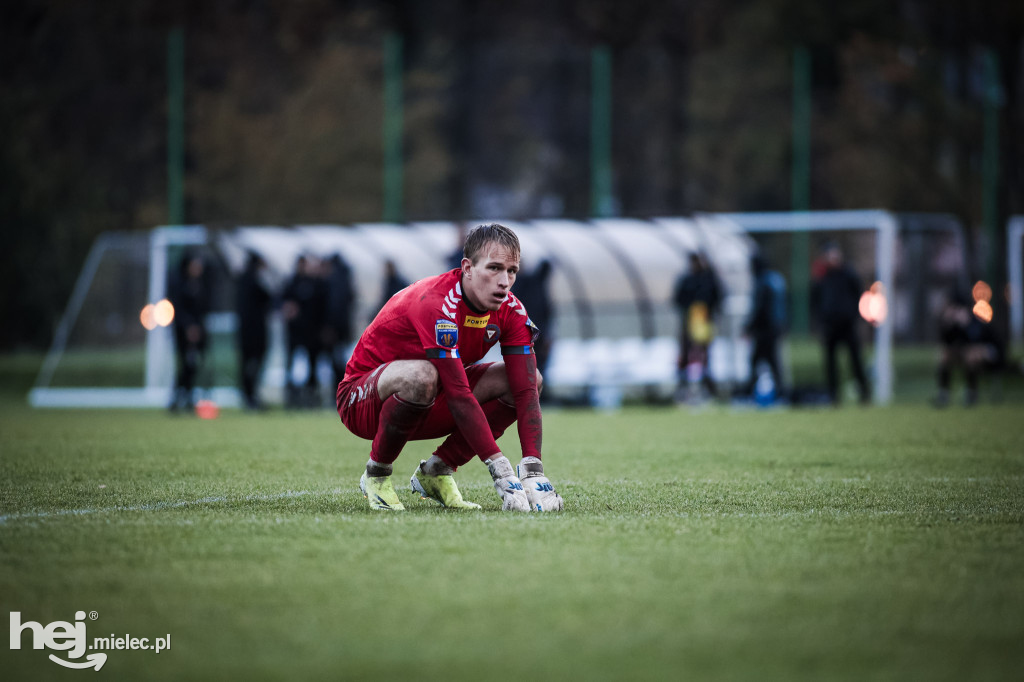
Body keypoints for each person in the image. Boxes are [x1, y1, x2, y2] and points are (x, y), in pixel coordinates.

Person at [336, 223, 564, 512]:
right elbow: (458, 394)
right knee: (422, 375)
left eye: (511, 271)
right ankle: (376, 475)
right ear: (467, 268)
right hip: (363, 402)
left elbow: (525, 390)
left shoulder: (512, 309)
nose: (504, 281)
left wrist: (533, 469)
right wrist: (502, 472)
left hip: (434, 397)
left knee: (533, 379)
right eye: (494, 268)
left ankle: (436, 471)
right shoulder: (436, 304)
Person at [811, 242, 870, 405]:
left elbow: (858, 295)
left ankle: (864, 393)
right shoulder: (821, 277)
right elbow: (816, 300)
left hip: (847, 324)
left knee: (855, 359)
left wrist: (854, 316)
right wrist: (821, 321)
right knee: (830, 362)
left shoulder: (849, 274)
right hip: (830, 326)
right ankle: (833, 396)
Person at [934, 285, 1005, 407]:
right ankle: (943, 394)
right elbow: (947, 342)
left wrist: (966, 324)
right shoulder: (950, 320)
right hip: (967, 352)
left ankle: (972, 393)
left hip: (991, 351)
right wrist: (948, 325)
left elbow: (977, 338)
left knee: (971, 354)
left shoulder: (975, 316)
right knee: (945, 355)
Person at [672, 252, 723, 401]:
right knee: (686, 355)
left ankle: (707, 389)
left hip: (704, 322)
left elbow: (717, 299)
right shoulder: (687, 279)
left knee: (703, 355)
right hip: (690, 322)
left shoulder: (709, 280)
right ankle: (684, 388)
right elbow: (678, 300)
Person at [168, 250, 211, 413]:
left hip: (197, 332)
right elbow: (178, 309)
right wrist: (188, 327)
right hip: (183, 332)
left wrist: (199, 328)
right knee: (185, 364)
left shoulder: (199, 285)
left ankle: (187, 396)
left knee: (193, 365)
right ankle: (177, 397)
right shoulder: (180, 284)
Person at [741, 253, 788, 402]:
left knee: (758, 361)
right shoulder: (776, 279)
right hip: (775, 329)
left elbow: (760, 308)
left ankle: (752, 394)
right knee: (772, 362)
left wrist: (748, 327)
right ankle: (781, 393)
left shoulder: (762, 282)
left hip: (765, 330)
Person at [282, 255, 327, 408]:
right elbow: (281, 302)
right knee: (292, 363)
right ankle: (292, 395)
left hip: (311, 333)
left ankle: (310, 395)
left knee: (312, 364)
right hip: (295, 333)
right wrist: (287, 309)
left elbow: (321, 308)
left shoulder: (315, 284)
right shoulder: (291, 283)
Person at [236, 251, 272, 411]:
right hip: (256, 331)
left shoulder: (241, 280)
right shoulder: (255, 280)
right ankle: (251, 395)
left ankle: (248, 395)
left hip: (244, 330)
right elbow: (269, 296)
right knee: (254, 362)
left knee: (246, 363)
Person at [511, 259, 554, 378]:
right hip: (535, 332)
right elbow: (547, 312)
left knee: (526, 365)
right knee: (535, 366)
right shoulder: (535, 285)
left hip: (527, 332)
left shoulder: (524, 285)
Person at [324, 254, 356, 386]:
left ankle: (339, 387)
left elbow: (334, 306)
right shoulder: (346, 279)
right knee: (342, 357)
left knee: (336, 359)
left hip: (336, 329)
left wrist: (330, 327)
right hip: (344, 327)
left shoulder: (334, 281)